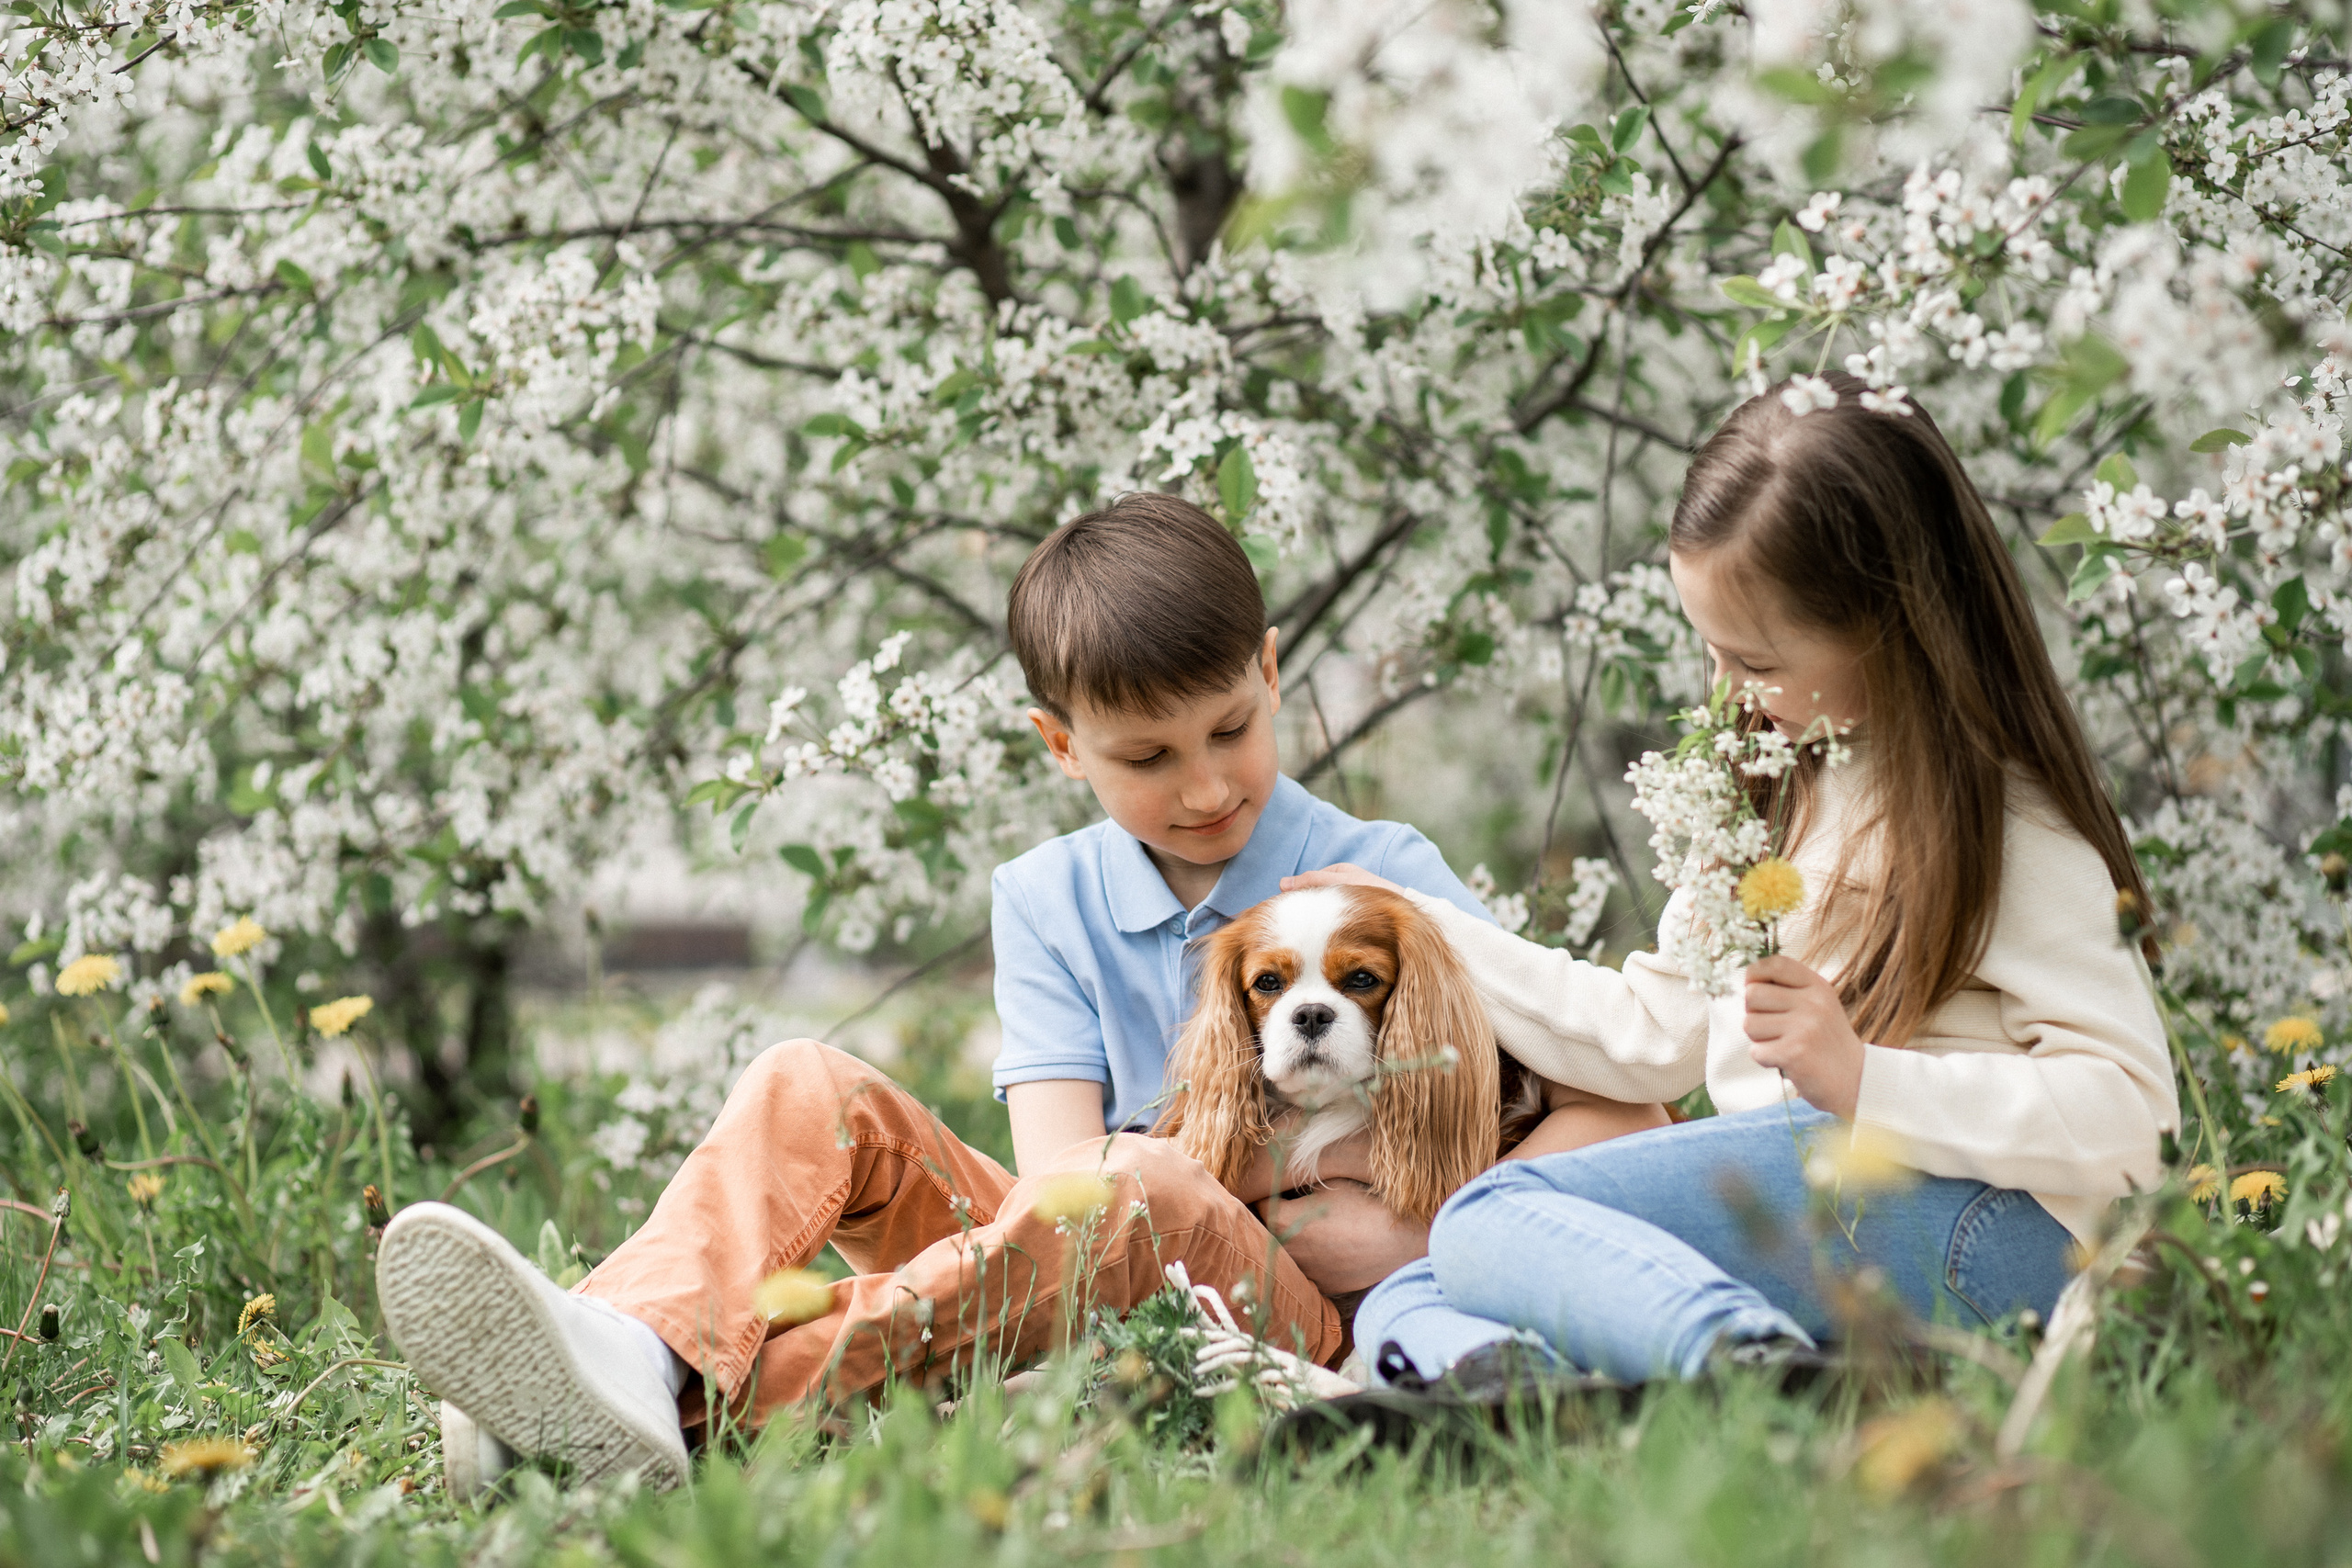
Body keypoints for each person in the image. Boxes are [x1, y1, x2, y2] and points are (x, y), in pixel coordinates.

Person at [377, 494, 1633, 1492]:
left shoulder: (1383, 877)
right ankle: (640, 1346)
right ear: (1060, 745)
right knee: (807, 1079)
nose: (1205, 787)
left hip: (1290, 1311)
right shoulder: (1045, 895)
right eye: (1147, 756)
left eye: (1230, 729)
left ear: (1268, 670)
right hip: (1080, 1245)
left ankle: (676, 1397)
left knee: (1143, 1182)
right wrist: (1226, 1166)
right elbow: (1059, 1183)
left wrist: (1424, 1232)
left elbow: (1622, 1114)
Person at [1292, 374, 2181, 1391]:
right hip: (1839, 1212)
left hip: (1987, 1232)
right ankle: (1560, 1406)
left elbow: (2134, 1120)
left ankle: (1751, 1375)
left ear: (1888, 623)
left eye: (1754, 661)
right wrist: (1418, 928)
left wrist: (1865, 1079)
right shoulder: (1777, 782)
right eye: (1710, 653)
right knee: (1417, 1290)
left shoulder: (1999, 820)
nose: (1727, 694)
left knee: (1489, 1220)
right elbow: (1648, 1035)